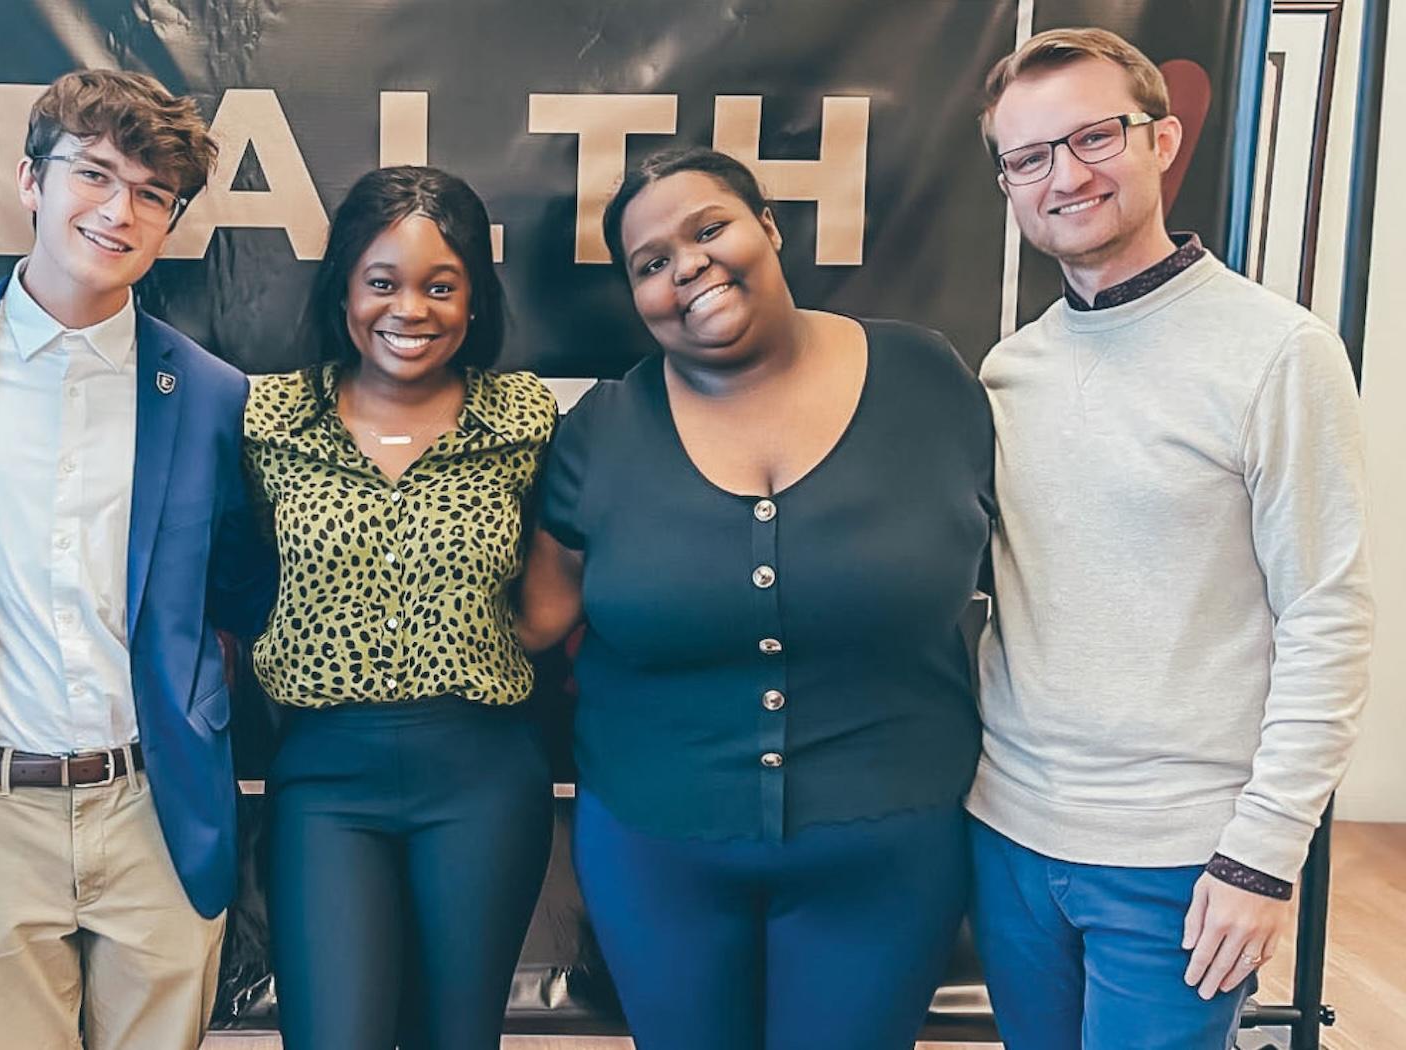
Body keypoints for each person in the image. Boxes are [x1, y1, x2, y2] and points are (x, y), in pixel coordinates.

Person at [518, 146, 994, 1050]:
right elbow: (536, 619)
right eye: (650, 263)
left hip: (889, 851)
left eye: (708, 228)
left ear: (768, 226)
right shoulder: (600, 433)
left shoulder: (927, 381)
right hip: (657, 852)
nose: (685, 266)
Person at [969, 27, 1371, 1049]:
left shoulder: (1276, 352)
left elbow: (1326, 618)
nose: (1063, 177)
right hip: (1007, 834)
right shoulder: (1008, 370)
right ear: (1008, 184)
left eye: (1092, 137)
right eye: (1027, 158)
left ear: (1161, 141)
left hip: (1179, 861)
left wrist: (1260, 855)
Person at [0, 69, 273, 1050]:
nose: (118, 210)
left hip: (155, 808)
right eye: (93, 174)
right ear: (29, 181)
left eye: (150, 194)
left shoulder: (211, 393)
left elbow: (237, 583)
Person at [242, 165, 557, 1050]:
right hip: (324, 779)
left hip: (482, 775)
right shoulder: (269, 420)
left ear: (473, 300)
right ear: (345, 285)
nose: (409, 309)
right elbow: (232, 572)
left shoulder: (524, 419)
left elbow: (559, 571)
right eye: (382, 282)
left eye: (440, 286)